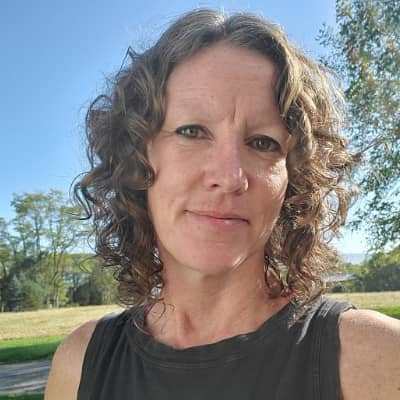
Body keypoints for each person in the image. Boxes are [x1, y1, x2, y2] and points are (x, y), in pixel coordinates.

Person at [45, 8, 400, 400]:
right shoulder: (80, 363)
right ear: (137, 160)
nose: (230, 176)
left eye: (263, 142)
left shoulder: (377, 359)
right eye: (192, 131)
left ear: (293, 181)